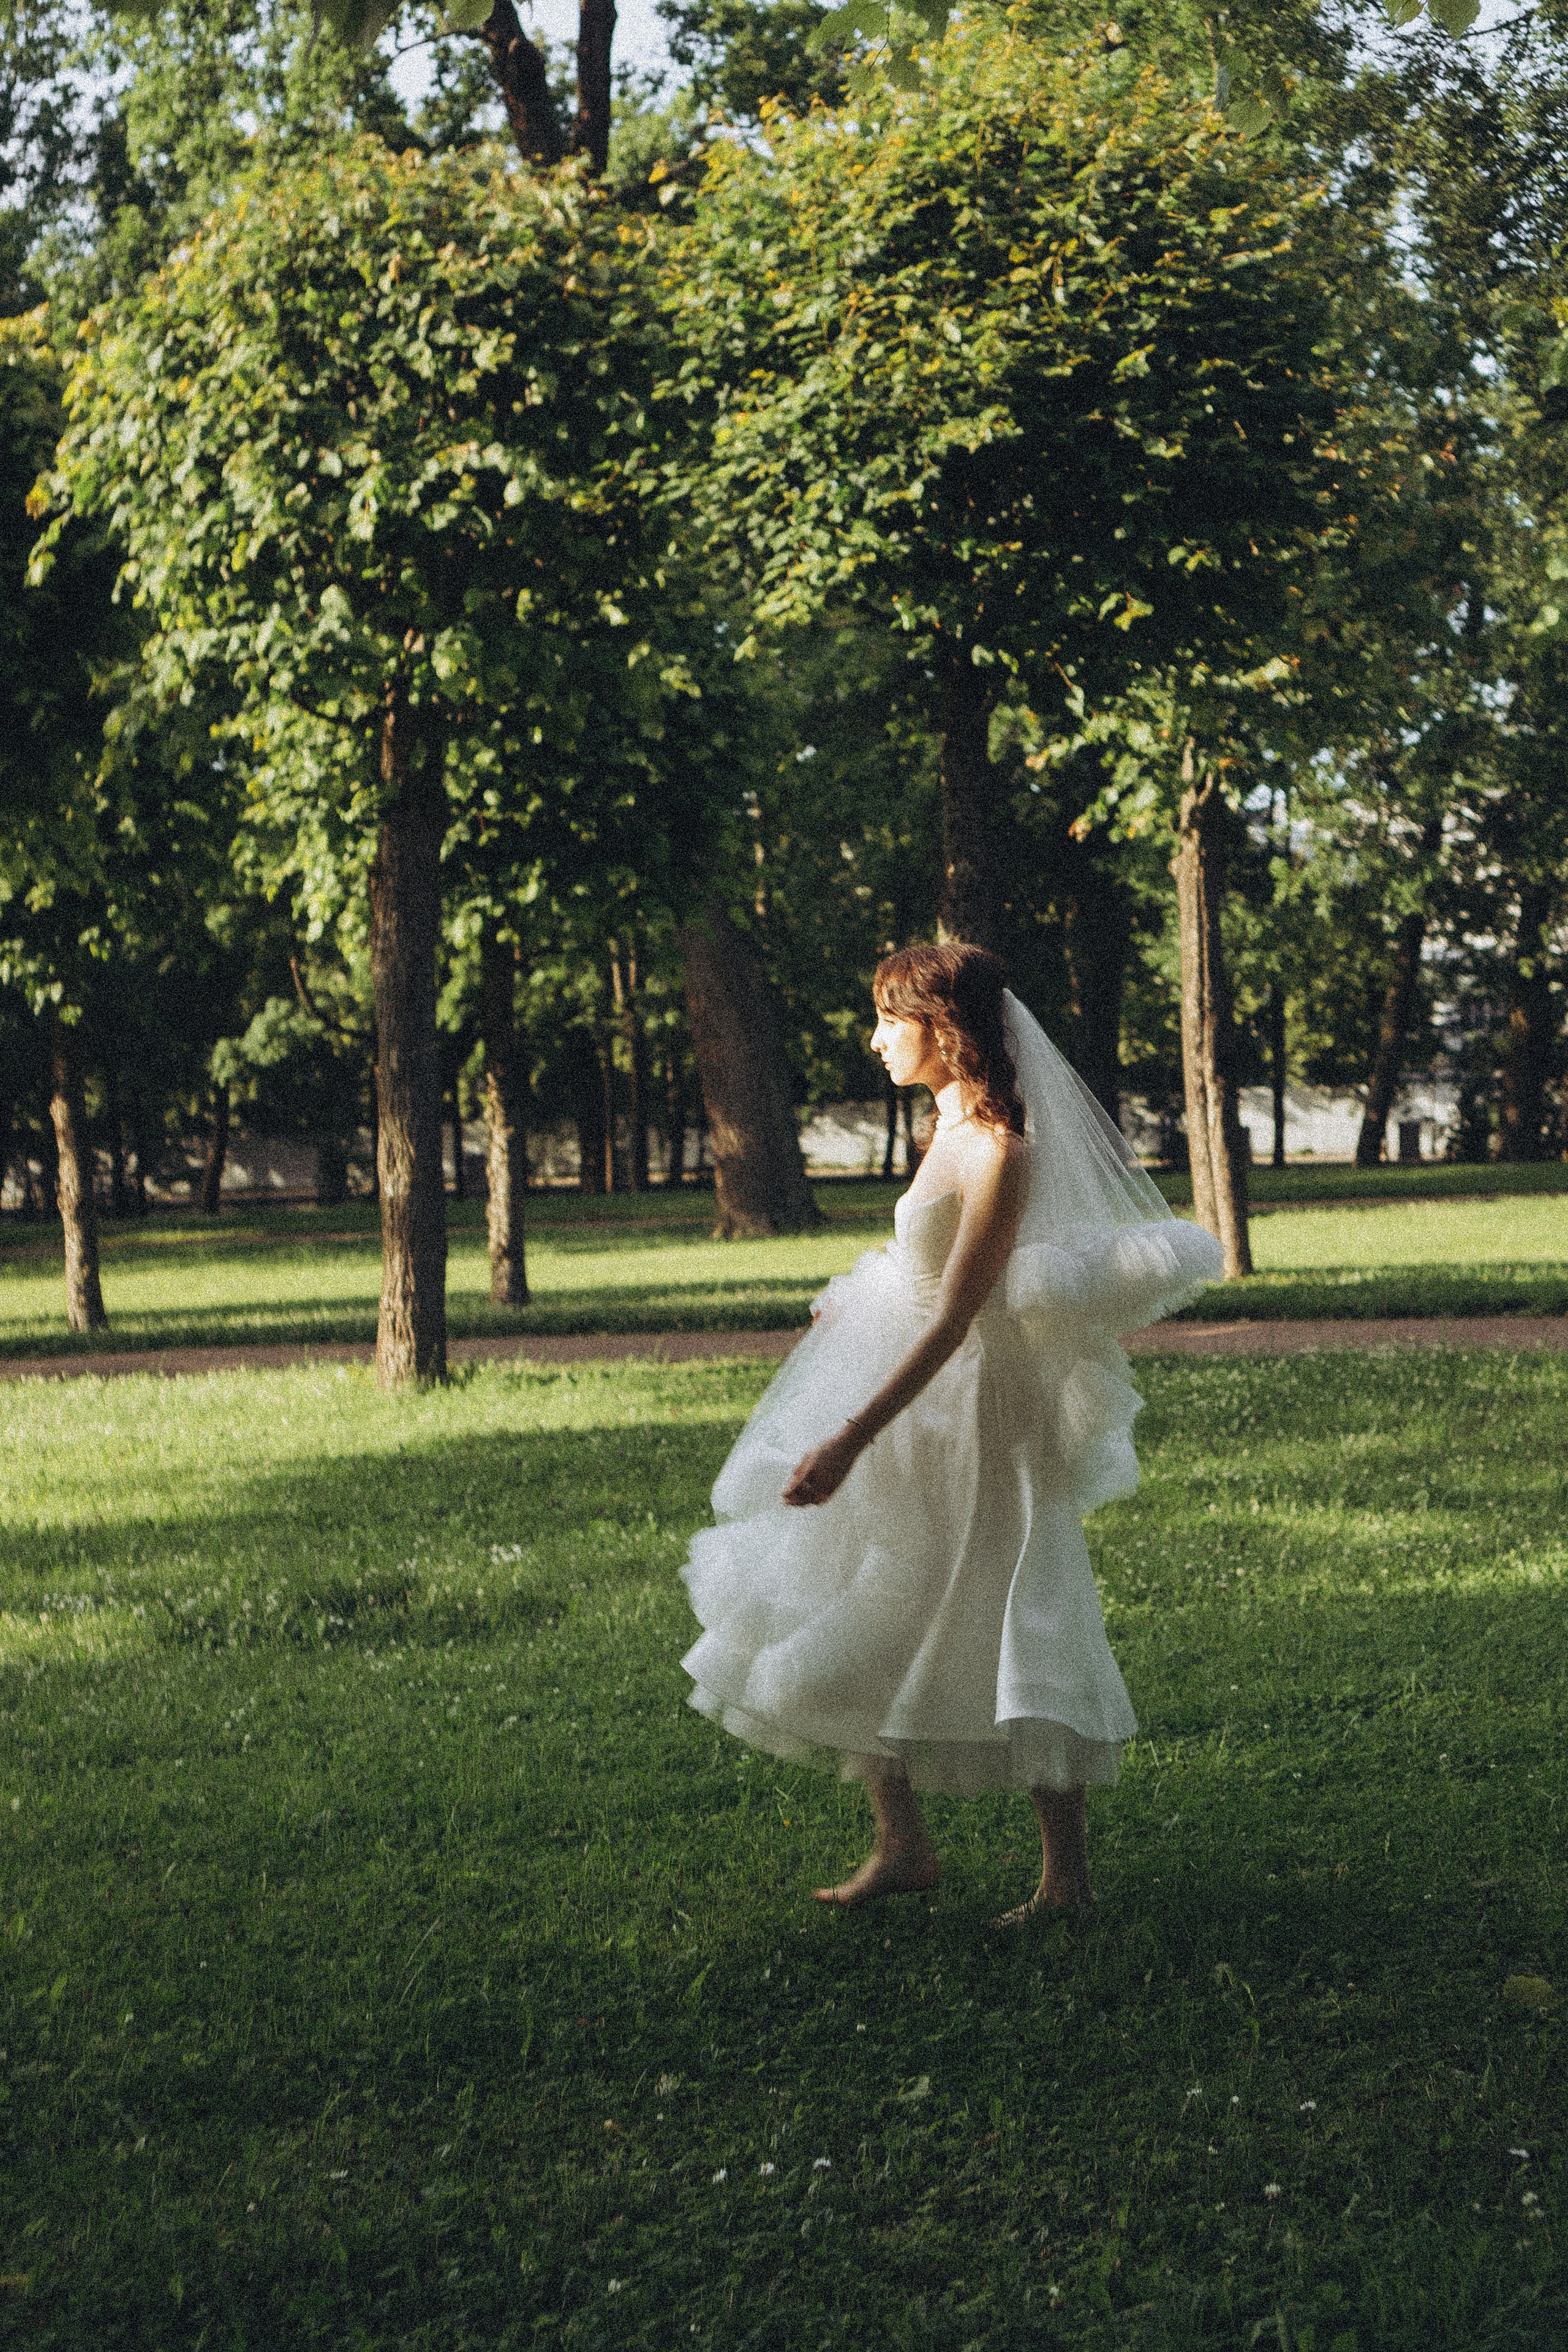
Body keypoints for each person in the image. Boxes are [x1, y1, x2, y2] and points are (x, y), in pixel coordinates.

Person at [680, 943, 1221, 1918]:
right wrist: (857, 1302)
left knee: (1017, 1603)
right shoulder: (945, 1127)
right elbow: (921, 1268)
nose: (875, 1038)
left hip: (978, 1411)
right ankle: (903, 1845)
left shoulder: (1002, 1150)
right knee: (867, 1590)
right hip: (910, 1388)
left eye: (890, 1019)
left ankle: (1066, 1878)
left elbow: (959, 1315)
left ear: (945, 1027)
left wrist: (848, 1439)